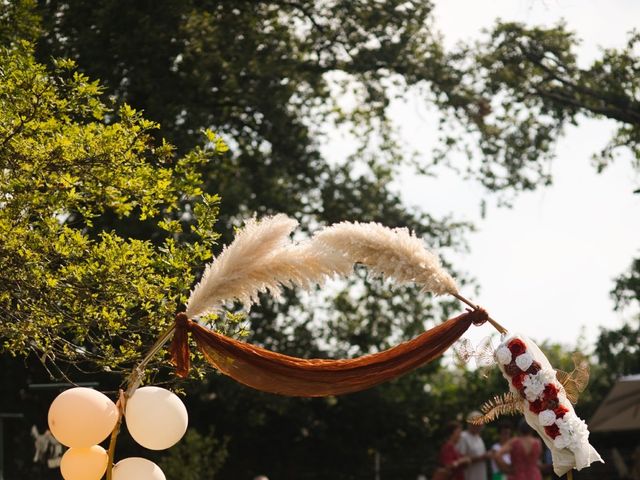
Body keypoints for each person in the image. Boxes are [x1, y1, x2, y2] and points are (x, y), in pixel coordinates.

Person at [457, 412, 489, 480]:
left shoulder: (479, 438)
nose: (480, 426)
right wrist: (481, 458)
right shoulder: (463, 437)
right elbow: (460, 460)